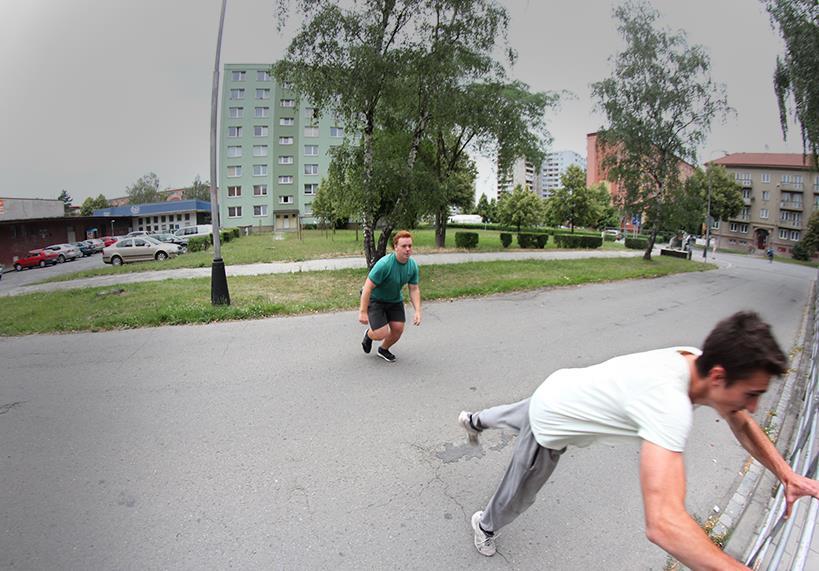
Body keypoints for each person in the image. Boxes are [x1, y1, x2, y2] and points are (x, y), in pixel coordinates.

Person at [458, 311, 819, 568]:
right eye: (752, 394)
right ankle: (485, 524)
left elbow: (740, 421)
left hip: (561, 385)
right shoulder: (669, 405)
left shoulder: (695, 358)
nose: (752, 407)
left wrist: (785, 473)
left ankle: (474, 420)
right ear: (720, 377)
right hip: (554, 424)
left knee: (515, 413)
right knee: (519, 492)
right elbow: (664, 523)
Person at [359, 230, 421, 362]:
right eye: (404, 246)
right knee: (381, 333)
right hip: (375, 299)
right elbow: (368, 287)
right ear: (395, 247)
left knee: (398, 329)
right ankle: (369, 335)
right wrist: (363, 311)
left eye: (410, 246)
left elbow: (414, 289)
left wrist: (417, 311)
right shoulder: (384, 264)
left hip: (394, 299)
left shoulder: (412, 266)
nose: (408, 249)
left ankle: (383, 349)